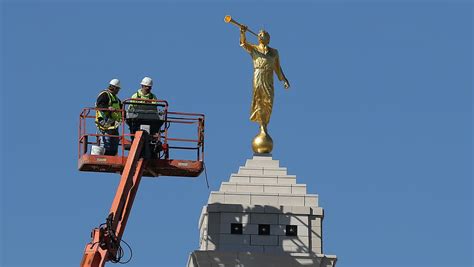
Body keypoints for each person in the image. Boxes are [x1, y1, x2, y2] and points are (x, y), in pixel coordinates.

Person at [239, 26, 290, 135]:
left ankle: (265, 122)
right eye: (259, 34)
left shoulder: (274, 52)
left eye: (263, 34)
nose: (260, 35)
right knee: (259, 99)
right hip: (258, 75)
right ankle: (262, 125)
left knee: (269, 101)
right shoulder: (254, 49)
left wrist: (284, 79)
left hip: (269, 77)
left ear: (268, 39)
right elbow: (243, 44)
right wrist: (243, 33)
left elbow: (277, 67)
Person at [95, 78, 122, 155]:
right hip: (104, 122)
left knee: (114, 142)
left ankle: (112, 155)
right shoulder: (104, 95)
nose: (118, 91)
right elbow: (100, 105)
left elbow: (121, 110)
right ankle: (104, 156)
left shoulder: (117, 99)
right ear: (114, 88)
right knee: (106, 141)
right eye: (118, 89)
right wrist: (108, 108)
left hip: (114, 124)